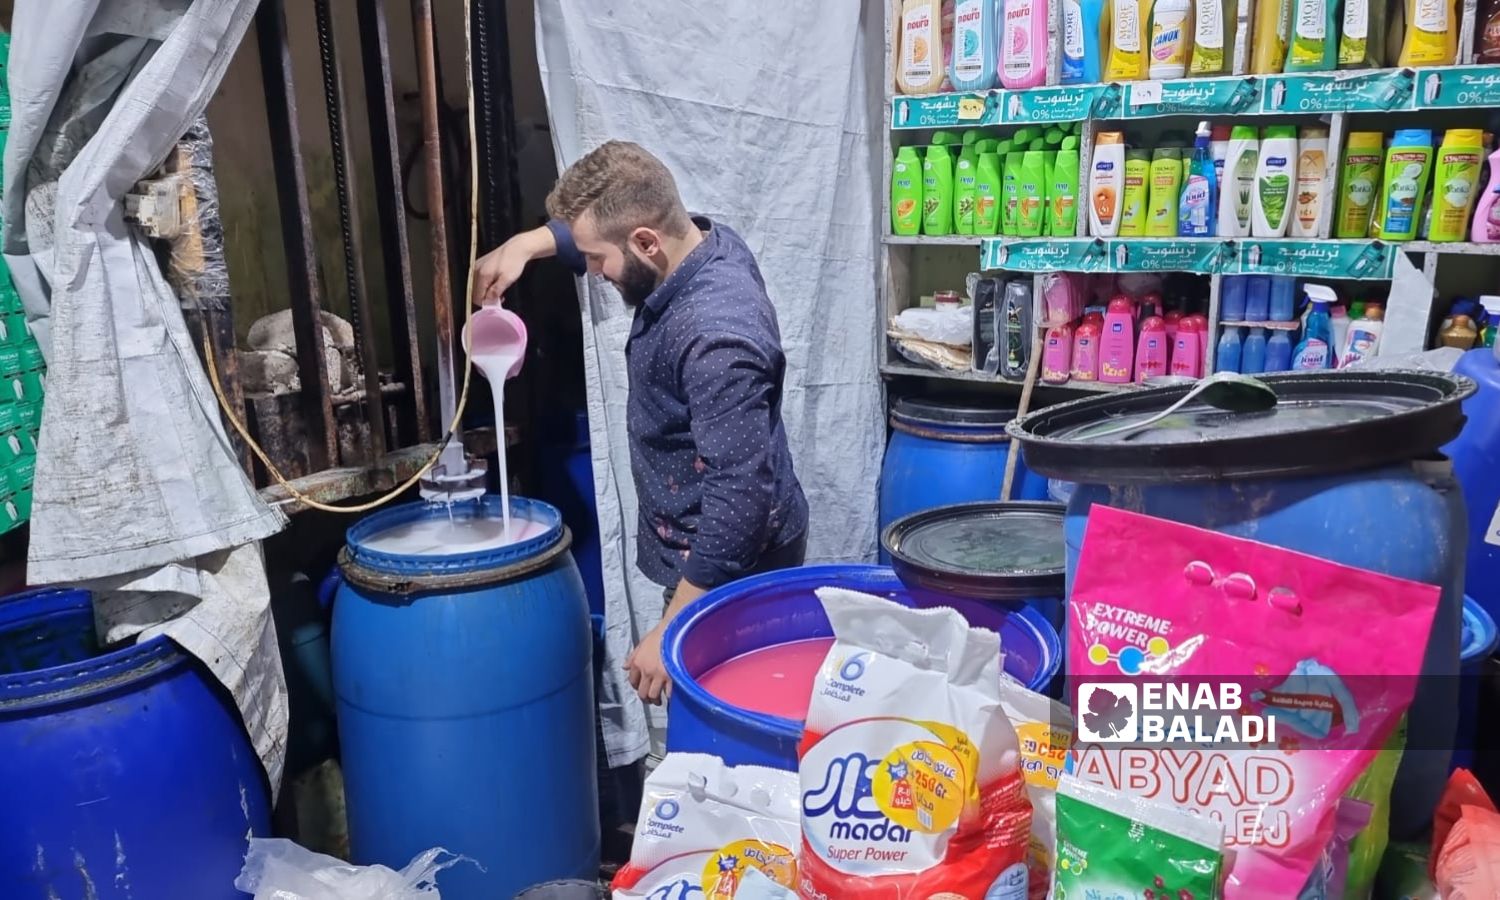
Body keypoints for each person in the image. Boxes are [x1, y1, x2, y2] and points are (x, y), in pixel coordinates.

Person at [473, 141, 808, 705]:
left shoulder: (715, 336)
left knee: (724, 745)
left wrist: (676, 623)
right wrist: (528, 245)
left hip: (732, 569)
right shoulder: (703, 241)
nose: (593, 272)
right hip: (710, 552)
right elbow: (609, 235)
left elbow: (742, 496)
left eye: (597, 259)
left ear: (646, 242)